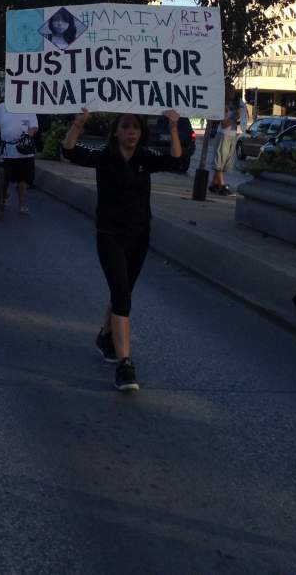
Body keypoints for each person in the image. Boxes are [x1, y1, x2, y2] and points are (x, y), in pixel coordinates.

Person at [62, 107, 183, 392]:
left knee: (123, 291)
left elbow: (176, 161)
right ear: (116, 131)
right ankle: (125, 365)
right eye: (127, 127)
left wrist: (174, 127)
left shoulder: (145, 158)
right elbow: (69, 152)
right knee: (122, 296)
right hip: (110, 235)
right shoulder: (104, 156)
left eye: (136, 128)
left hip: (140, 235)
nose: (132, 132)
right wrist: (78, 125)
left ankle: (106, 336)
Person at [0, 99, 39, 214]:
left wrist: (29, 133)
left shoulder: (28, 106)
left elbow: (34, 126)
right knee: (4, 178)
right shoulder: (2, 106)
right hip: (7, 149)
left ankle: (22, 204)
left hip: (24, 150)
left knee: (23, 181)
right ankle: (2, 199)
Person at [209, 98, 242, 196]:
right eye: (230, 90)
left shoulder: (235, 106)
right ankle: (222, 186)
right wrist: (234, 118)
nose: (232, 93)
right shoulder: (223, 106)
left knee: (225, 162)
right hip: (224, 134)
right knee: (219, 161)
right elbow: (224, 124)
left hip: (232, 135)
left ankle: (214, 184)